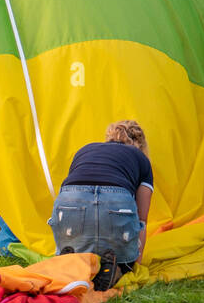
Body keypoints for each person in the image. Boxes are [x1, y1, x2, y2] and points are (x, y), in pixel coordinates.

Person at [49, 120, 153, 290]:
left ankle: (70, 259)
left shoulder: (85, 149)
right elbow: (142, 219)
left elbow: (72, 188)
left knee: (79, 236)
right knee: (125, 258)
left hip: (69, 201)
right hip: (115, 200)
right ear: (140, 144)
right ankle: (119, 267)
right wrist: (135, 266)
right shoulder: (140, 158)